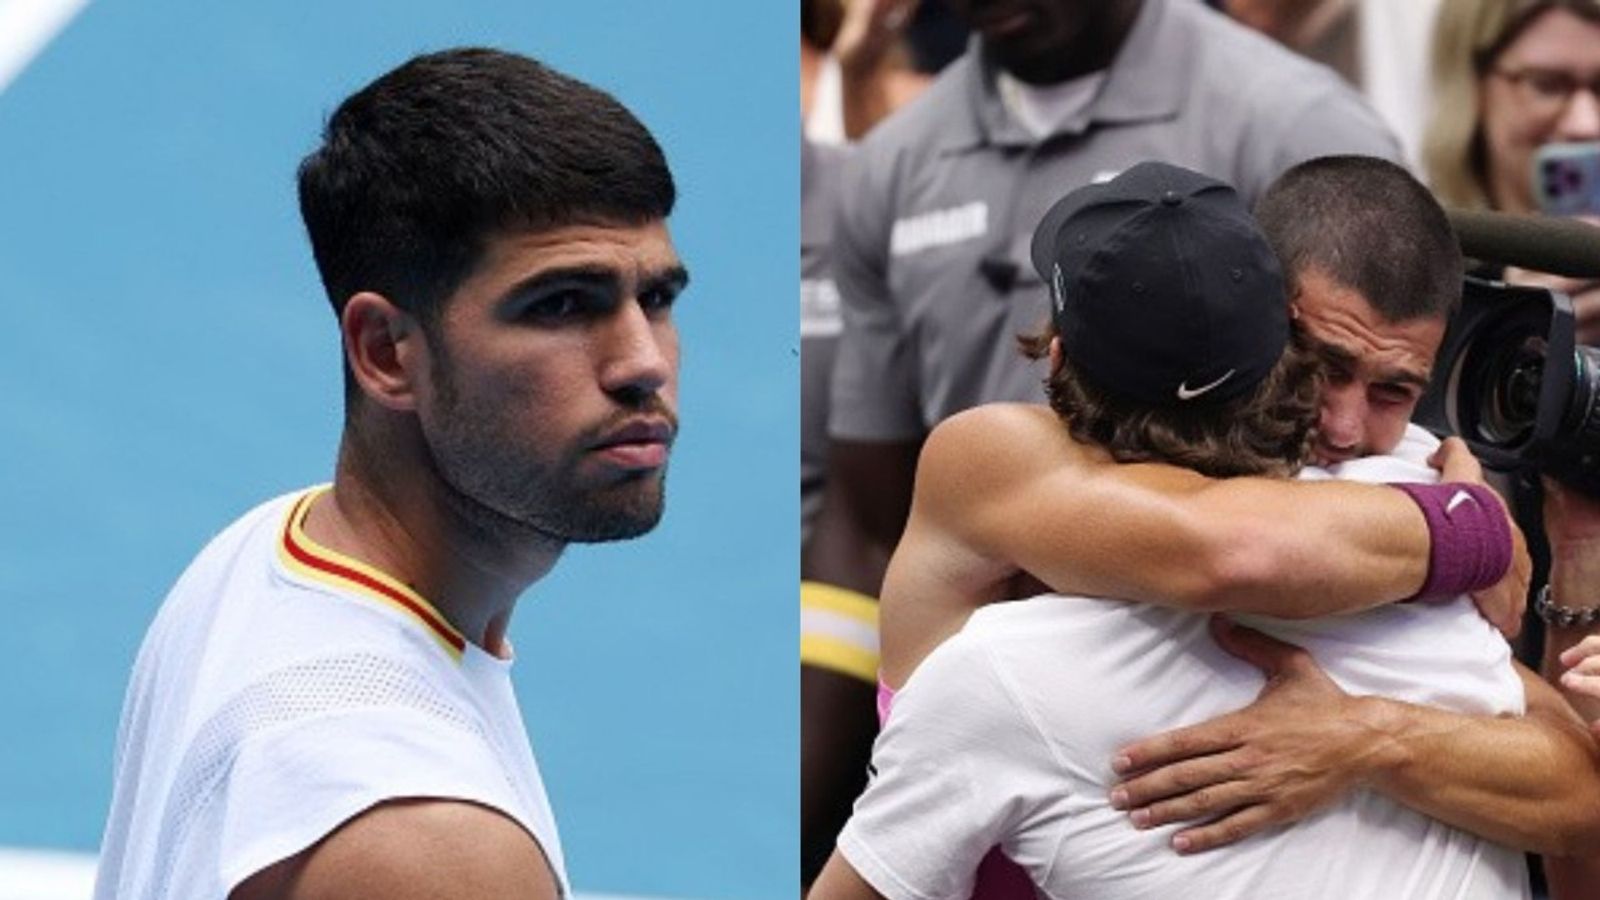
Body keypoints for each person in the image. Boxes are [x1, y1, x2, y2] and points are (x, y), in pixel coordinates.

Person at [810, 161, 1544, 900]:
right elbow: (1231, 550)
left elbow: (1575, 786)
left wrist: (1366, 737)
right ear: (1273, 344)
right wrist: (1478, 532)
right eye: (1325, 366)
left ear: (1056, 353)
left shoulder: (1391, 485)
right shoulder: (995, 460)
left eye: (1392, 390)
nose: (1345, 424)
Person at [799, 0, 1401, 873]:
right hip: (988, 755)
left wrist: (1464, 538)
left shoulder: (1299, 128)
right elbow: (865, 522)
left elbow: (1378, 428)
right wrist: (822, 810)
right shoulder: (890, 166)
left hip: (1237, 774)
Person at [92, 48, 686, 900]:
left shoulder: (261, 551)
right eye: (561, 304)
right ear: (385, 353)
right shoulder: (432, 846)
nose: (641, 363)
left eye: (656, 299)